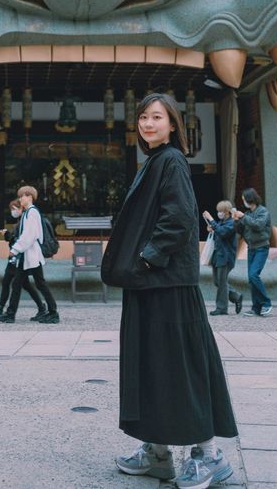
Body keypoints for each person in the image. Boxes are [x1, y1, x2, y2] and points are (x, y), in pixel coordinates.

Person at [101, 93, 238, 489]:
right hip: (151, 281)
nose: (148, 123)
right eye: (143, 117)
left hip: (168, 282)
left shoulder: (172, 161)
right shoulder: (155, 161)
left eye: (156, 117)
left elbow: (179, 217)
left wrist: (148, 257)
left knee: (181, 365)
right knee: (153, 364)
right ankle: (157, 451)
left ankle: (208, 454)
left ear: (173, 124)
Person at [0, 185, 59, 324]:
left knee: (22, 284)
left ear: (29, 196)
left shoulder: (32, 213)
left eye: (22, 196)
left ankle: (11, 314)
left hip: (29, 254)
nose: (20, 198)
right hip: (29, 255)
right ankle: (51, 312)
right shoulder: (29, 212)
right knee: (32, 283)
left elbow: (29, 235)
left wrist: (15, 249)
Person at [0, 199, 47, 322]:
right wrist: (8, 235)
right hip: (16, 257)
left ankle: (4, 311)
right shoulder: (20, 221)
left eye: (14, 208)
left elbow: (22, 240)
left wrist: (10, 239)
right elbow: (15, 239)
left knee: (17, 283)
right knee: (19, 283)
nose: (13, 211)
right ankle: (40, 307)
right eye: (11, 209)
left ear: (21, 208)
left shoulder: (26, 219)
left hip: (20, 257)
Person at [233, 188, 272, 317]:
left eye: (244, 199)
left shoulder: (263, 212)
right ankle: (256, 308)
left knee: (254, 275)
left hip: (262, 247)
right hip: (252, 248)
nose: (243, 201)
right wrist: (237, 221)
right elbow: (240, 231)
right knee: (251, 278)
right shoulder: (248, 213)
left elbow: (258, 225)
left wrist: (243, 217)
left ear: (250, 199)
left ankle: (266, 303)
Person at [202, 201, 243, 316]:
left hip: (225, 257)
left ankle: (221, 308)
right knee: (218, 281)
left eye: (221, 211)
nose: (219, 213)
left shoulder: (232, 223)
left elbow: (223, 232)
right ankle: (236, 296)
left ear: (227, 212)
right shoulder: (222, 222)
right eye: (218, 211)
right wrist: (212, 229)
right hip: (218, 256)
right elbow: (218, 233)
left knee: (221, 282)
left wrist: (211, 220)